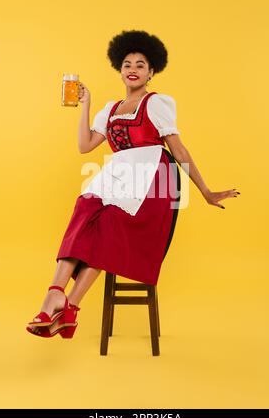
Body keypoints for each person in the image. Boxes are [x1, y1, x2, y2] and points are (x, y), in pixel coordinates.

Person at [26, 29, 240, 339]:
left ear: (152, 72)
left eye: (141, 64)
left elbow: (178, 149)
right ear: (120, 69)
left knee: (110, 225)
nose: (133, 69)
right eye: (127, 64)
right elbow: (85, 146)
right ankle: (58, 296)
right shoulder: (109, 110)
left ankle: (67, 304)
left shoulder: (157, 103)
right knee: (85, 208)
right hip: (120, 177)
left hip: (154, 180)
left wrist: (205, 191)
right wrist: (86, 104)